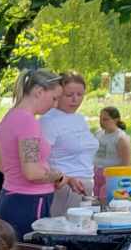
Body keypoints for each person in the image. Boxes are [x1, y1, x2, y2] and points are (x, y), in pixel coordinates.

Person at [0, 68, 62, 234]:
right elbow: (32, 173)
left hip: (12, 197)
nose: (55, 105)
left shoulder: (10, 116)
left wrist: (14, 175)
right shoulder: (27, 121)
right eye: (54, 98)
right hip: (29, 203)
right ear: (39, 91)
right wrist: (58, 176)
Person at [42, 73, 98, 218]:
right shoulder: (49, 121)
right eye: (69, 95)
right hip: (64, 186)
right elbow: (40, 159)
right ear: (58, 94)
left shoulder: (80, 119)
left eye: (80, 94)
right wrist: (63, 178)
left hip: (86, 184)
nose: (75, 99)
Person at [95, 107, 131, 198]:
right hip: (96, 174)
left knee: (105, 200)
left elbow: (126, 163)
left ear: (116, 120)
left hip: (111, 176)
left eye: (105, 119)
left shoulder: (121, 138)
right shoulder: (98, 134)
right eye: (100, 119)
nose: (102, 122)